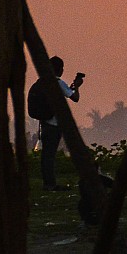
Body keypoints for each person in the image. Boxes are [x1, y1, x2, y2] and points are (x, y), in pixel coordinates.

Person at [27, 54, 85, 189]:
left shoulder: (41, 82)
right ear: (60, 69)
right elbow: (74, 98)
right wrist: (77, 87)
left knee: (46, 155)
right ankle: (50, 184)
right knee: (50, 155)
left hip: (45, 123)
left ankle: (48, 182)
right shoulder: (57, 82)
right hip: (54, 125)